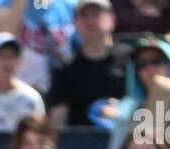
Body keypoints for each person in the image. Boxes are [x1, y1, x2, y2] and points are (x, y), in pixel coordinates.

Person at [46, 0, 127, 132]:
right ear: (75, 23)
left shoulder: (130, 60)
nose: (90, 20)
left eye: (95, 14)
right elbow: (58, 119)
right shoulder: (64, 68)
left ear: (112, 19)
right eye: (83, 15)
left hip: (126, 144)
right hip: (79, 145)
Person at [0, 33, 45, 134]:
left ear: (19, 62)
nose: (7, 62)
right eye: (1, 56)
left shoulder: (31, 98)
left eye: (11, 56)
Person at [3, 0, 77, 94]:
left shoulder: (71, 5)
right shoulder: (5, 2)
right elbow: (2, 38)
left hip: (61, 90)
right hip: (19, 90)